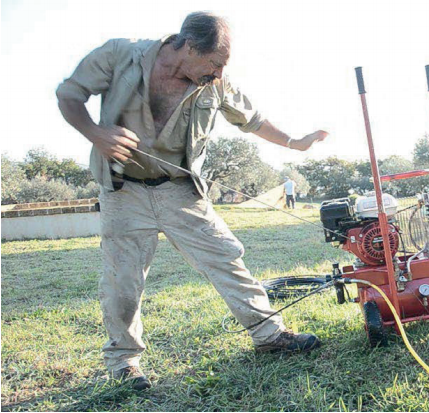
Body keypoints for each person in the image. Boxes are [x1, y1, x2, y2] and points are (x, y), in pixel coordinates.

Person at [56, 12, 328, 391]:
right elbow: (68, 94)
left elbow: (253, 119)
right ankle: (123, 363)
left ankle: (270, 335)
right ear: (187, 46)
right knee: (122, 280)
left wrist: (294, 142)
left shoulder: (215, 84)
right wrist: (96, 133)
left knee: (225, 258)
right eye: (214, 64)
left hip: (179, 190)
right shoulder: (119, 55)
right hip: (123, 191)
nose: (218, 74)